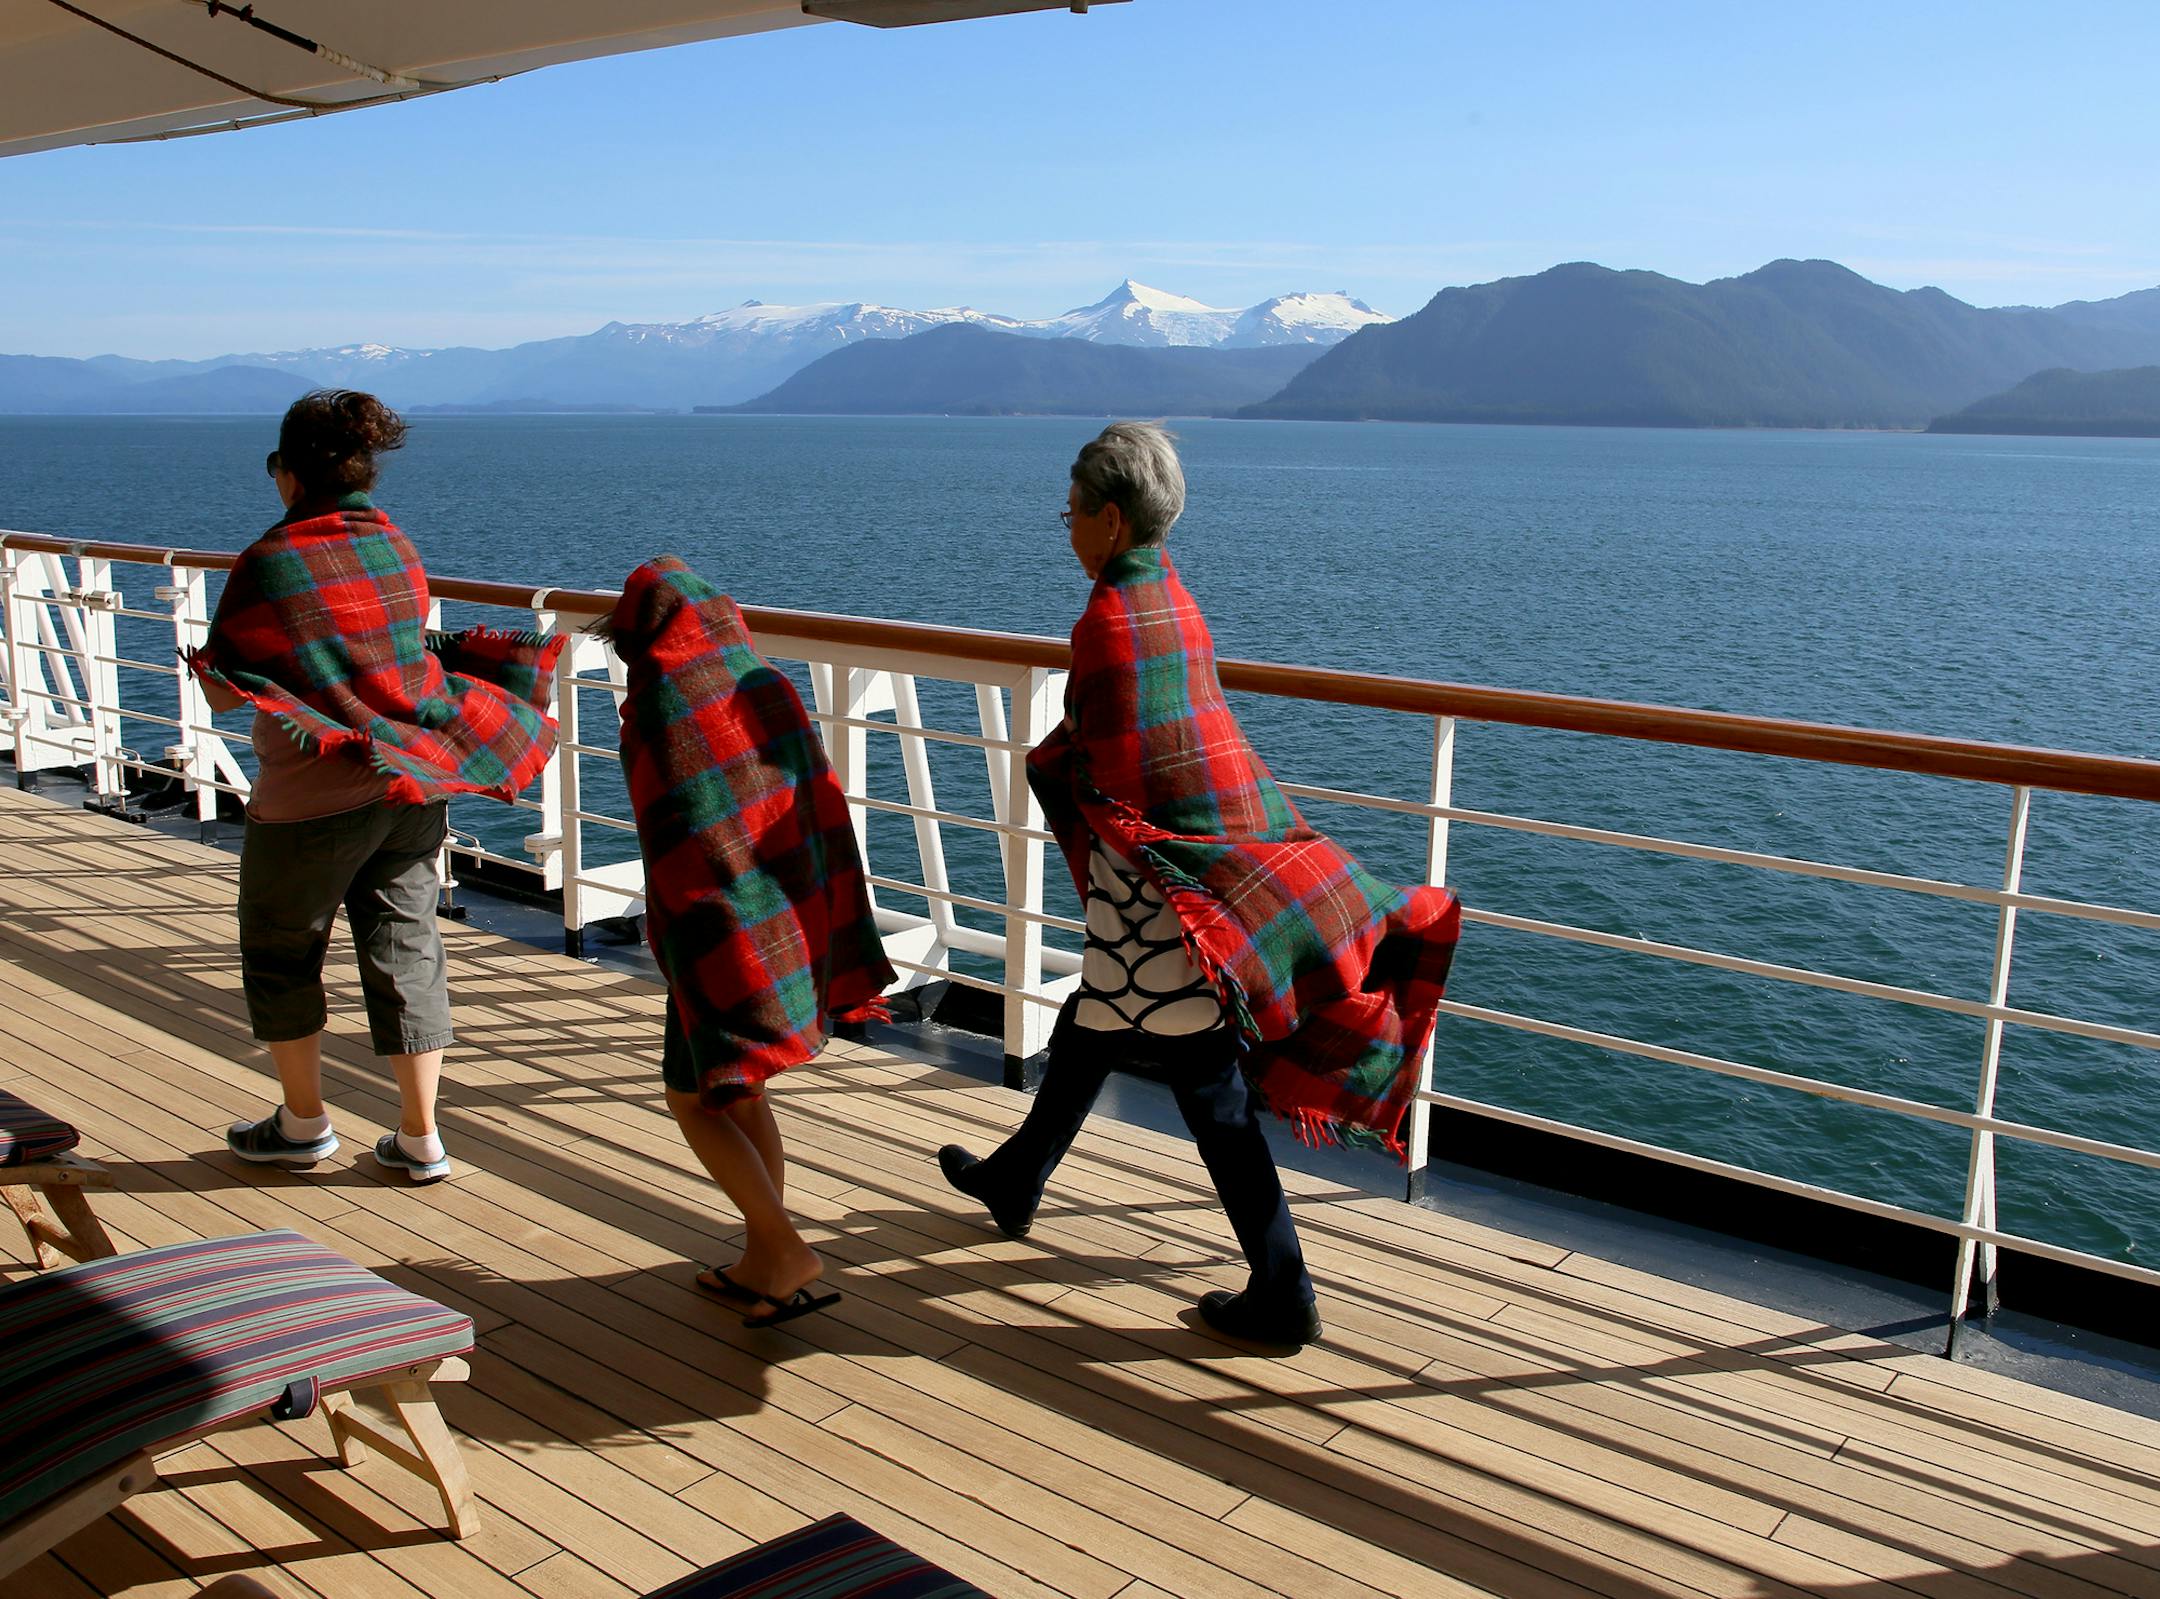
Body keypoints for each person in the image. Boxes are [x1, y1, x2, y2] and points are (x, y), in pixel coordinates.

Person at [939, 422, 1462, 1348]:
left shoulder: (1106, 621)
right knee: (1093, 1023)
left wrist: (1063, 776)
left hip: (1161, 887)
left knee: (1206, 1085)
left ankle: (1285, 1288)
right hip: (1158, 882)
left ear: (1108, 518)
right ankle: (1020, 1175)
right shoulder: (1172, 597)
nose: (1063, 526)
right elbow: (1170, 740)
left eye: (1070, 509)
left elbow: (1114, 760)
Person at [185, 390, 563, 1184]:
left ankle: (302, 1124)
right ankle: (422, 1137)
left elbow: (226, 687)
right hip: (410, 781)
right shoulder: (392, 542)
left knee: (282, 951)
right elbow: (390, 652)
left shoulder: (271, 560)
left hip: (312, 796)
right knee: (406, 950)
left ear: (284, 473)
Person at [609, 556, 895, 1328]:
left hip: (719, 939)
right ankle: (762, 1257)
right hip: (785, 922)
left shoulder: (664, 707)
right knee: (743, 1089)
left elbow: (678, 841)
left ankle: (782, 1243)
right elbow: (809, 800)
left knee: (691, 1098)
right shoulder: (762, 681)